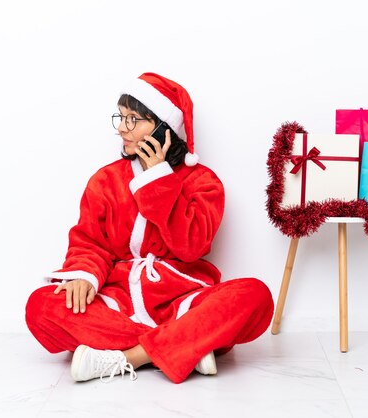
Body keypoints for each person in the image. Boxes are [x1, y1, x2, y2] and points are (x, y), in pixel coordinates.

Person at [25, 72, 274, 384]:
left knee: (255, 296)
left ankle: (127, 358)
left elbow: (191, 247)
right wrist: (83, 276)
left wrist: (159, 181)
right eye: (121, 117)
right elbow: (90, 243)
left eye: (133, 120)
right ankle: (186, 348)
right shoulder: (105, 181)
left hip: (182, 301)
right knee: (41, 305)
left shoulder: (203, 183)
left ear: (164, 128)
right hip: (118, 303)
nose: (121, 128)